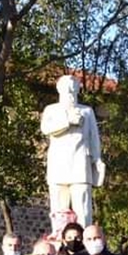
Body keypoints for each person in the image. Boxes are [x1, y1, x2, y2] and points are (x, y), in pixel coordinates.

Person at [41, 74, 104, 228]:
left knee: (83, 207)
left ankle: (84, 240)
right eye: (66, 89)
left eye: (73, 89)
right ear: (59, 90)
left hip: (80, 163)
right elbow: (46, 129)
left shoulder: (87, 111)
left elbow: (94, 137)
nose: (70, 93)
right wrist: (68, 122)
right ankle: (59, 239)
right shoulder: (52, 110)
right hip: (58, 163)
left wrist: (97, 159)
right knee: (58, 208)